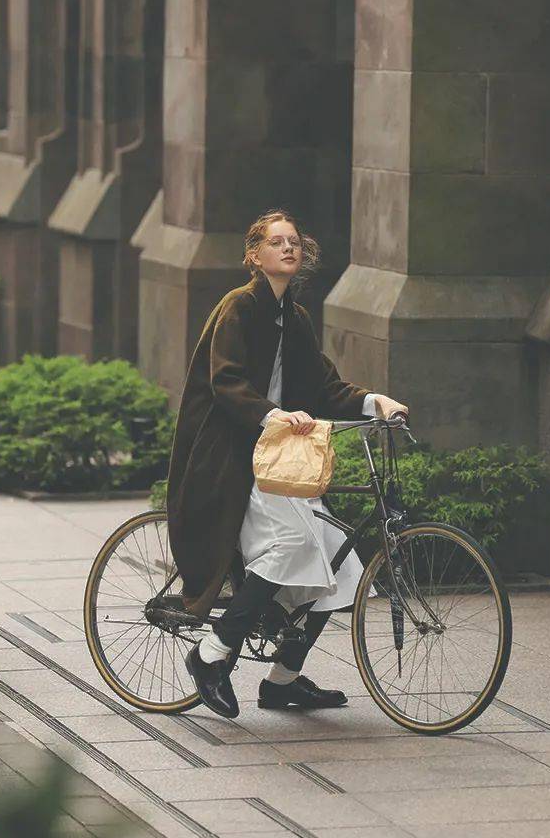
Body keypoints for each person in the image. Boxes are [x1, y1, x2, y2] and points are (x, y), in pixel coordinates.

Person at [166, 209, 409, 719]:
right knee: (293, 543)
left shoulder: (294, 317)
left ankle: (282, 681)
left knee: (339, 559)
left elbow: (324, 386)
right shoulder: (238, 306)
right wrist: (275, 414)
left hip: (279, 456)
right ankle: (211, 656)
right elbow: (226, 381)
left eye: (294, 241)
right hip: (232, 456)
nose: (289, 249)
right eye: (277, 242)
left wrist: (374, 402)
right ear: (254, 255)